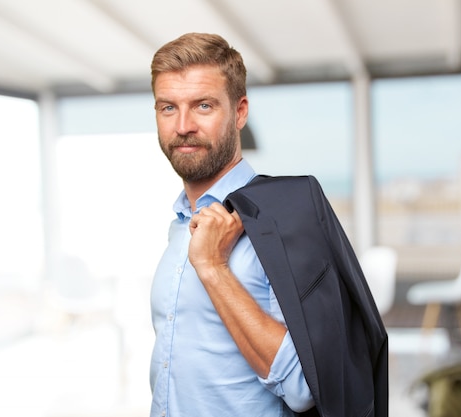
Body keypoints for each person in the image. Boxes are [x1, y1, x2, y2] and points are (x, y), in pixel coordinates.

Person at [148, 32, 388, 417]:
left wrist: (214, 269)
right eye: (168, 108)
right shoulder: (180, 224)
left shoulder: (281, 219)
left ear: (240, 112)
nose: (183, 126)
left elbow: (305, 388)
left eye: (203, 106)